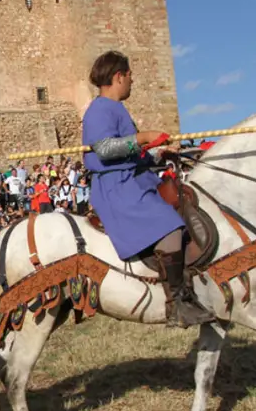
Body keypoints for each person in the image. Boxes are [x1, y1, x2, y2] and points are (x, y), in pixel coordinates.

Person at [82, 50, 214, 328]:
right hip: (117, 186)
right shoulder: (99, 109)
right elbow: (105, 149)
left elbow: (130, 155)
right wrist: (143, 137)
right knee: (169, 226)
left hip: (134, 179)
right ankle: (177, 303)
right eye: (130, 76)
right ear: (119, 76)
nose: (133, 81)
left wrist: (157, 154)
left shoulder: (116, 109)